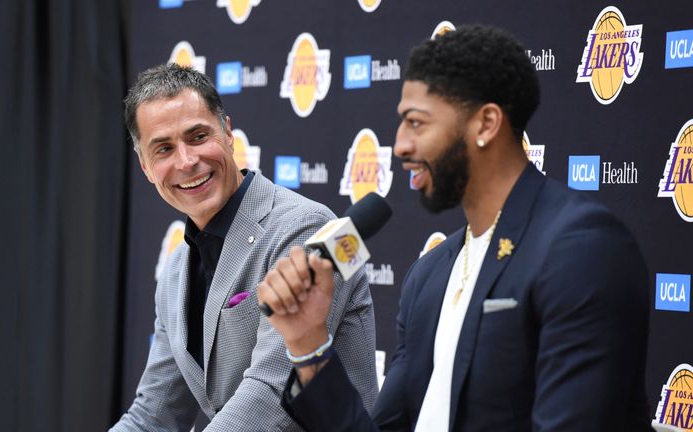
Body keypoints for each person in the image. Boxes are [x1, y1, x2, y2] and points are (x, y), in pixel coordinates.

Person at [257, 24, 650, 431]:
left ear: (485, 124)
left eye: (416, 123)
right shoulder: (430, 275)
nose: (400, 146)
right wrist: (308, 343)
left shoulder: (581, 248)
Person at [111, 64, 378, 431]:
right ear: (145, 166)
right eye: (164, 149)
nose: (187, 161)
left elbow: (271, 393)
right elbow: (154, 414)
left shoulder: (307, 227)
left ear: (228, 133)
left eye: (198, 136)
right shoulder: (174, 271)